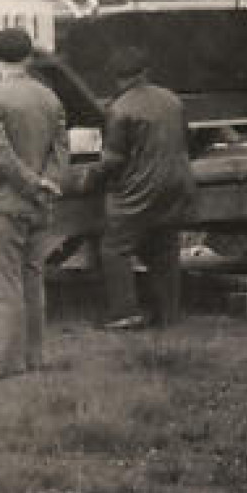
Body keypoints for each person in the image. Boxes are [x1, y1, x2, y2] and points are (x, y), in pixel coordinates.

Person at [77, 45, 197, 331]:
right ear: (146, 72)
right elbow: (186, 138)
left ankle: (124, 313)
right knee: (165, 247)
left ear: (116, 77)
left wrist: (89, 177)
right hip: (178, 184)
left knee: (115, 247)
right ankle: (168, 314)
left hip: (139, 190)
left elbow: (114, 160)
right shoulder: (172, 100)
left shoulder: (120, 109)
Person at [0, 27, 67, 379]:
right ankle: (35, 359)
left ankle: (7, 363)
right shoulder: (50, 98)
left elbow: (1, 155)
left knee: (4, 285)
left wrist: (32, 184)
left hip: (4, 203)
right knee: (33, 280)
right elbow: (62, 150)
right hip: (40, 203)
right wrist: (48, 184)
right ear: (29, 57)